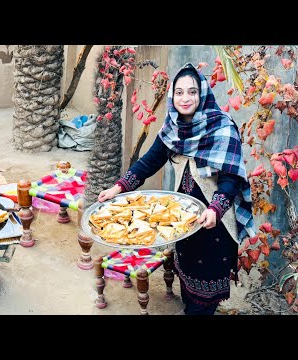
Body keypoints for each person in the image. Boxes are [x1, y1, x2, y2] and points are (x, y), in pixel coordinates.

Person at [98, 62, 255, 315]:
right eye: (179, 92)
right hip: (183, 214)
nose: (185, 98)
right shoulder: (173, 127)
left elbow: (230, 178)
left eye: (192, 91)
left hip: (215, 221)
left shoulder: (222, 127)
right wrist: (118, 187)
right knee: (186, 267)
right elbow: (150, 161)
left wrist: (215, 209)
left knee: (206, 282)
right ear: (172, 96)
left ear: (202, 93)